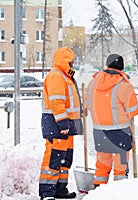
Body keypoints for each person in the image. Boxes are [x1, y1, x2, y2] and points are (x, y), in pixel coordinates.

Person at [85, 54, 138, 187]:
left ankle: (98, 190)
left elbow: (87, 103)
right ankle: (118, 192)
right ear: (122, 67)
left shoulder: (93, 82)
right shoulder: (124, 85)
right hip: (120, 132)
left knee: (102, 165)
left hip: (99, 131)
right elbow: (134, 109)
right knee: (120, 168)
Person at [39, 47, 83, 200]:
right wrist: (63, 122)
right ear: (66, 60)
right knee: (54, 157)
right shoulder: (56, 76)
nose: (73, 63)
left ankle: (60, 188)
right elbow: (57, 101)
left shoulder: (66, 76)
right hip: (57, 123)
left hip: (66, 124)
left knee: (65, 158)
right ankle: (47, 192)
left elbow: (69, 102)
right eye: (71, 61)